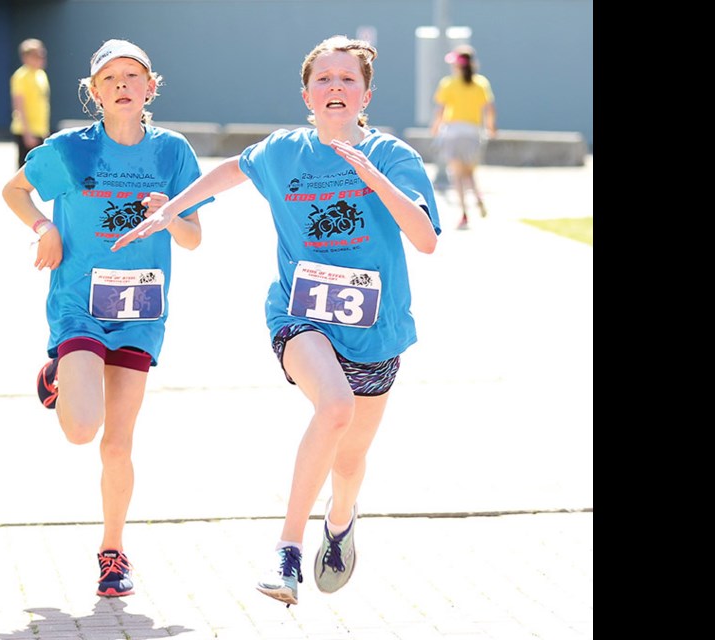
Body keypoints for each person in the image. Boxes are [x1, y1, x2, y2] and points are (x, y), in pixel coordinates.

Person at [112, 35, 440, 607]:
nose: (335, 87)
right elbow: (231, 171)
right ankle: (286, 551)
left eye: (348, 80)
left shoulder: (393, 156)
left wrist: (373, 177)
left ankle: (340, 521)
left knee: (351, 458)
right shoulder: (284, 151)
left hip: (376, 330)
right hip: (299, 314)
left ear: (365, 95)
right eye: (324, 79)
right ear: (307, 94)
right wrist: (172, 208)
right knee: (334, 407)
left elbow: (426, 240)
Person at [1, 39, 210, 598]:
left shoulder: (174, 153)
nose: (122, 85)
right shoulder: (70, 149)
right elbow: (14, 190)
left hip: (141, 310)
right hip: (79, 304)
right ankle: (60, 378)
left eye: (132, 76)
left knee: (117, 444)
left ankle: (113, 552)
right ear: (94, 92)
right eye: (110, 78)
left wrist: (168, 218)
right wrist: (45, 228)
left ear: (150, 87)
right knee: (80, 430)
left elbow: (193, 238)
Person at [430, 44, 497, 230]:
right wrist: (491, 128)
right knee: (470, 172)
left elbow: (440, 110)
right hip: (474, 132)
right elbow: (489, 108)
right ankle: (478, 197)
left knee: (457, 176)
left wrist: (435, 127)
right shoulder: (481, 83)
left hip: (453, 132)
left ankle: (464, 214)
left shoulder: (448, 83)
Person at [10, 38, 51, 168]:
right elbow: (18, 105)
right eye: (37, 55)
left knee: (40, 170)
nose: (41, 58)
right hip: (26, 131)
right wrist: (27, 133)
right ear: (26, 57)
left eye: (42, 54)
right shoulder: (21, 76)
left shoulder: (41, 75)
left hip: (40, 130)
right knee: (25, 170)